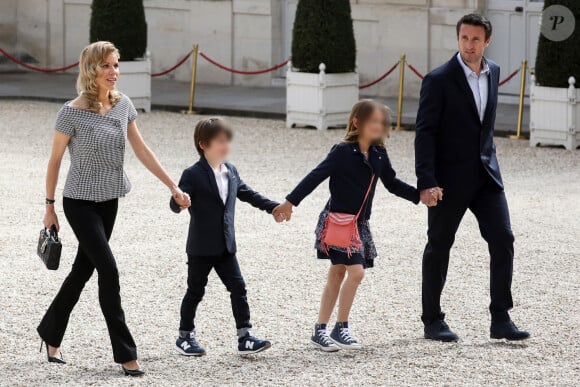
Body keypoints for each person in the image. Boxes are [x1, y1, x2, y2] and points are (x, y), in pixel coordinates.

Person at [38, 41, 191, 376]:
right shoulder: (70, 112)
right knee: (108, 270)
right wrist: (49, 207)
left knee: (82, 270)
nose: (113, 73)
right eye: (106, 66)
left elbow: (143, 151)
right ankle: (126, 353)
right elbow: (54, 162)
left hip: (109, 200)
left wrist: (173, 186)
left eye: (116, 65)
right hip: (78, 202)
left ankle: (50, 333)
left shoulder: (124, 106)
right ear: (91, 69)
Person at [414, 14, 530, 342]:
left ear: (486, 41)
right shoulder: (438, 79)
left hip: (487, 177)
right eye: (464, 38)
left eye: (475, 39)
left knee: (503, 238)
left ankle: (500, 317)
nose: (469, 45)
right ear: (458, 39)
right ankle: (432, 320)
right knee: (439, 245)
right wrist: (427, 181)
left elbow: (485, 127)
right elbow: (424, 133)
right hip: (447, 181)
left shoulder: (493, 72)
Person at [274, 100, 420, 351]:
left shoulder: (379, 154)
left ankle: (320, 330)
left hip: (359, 225)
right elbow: (315, 176)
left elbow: (393, 184)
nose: (378, 125)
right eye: (373, 121)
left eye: (381, 122)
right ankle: (340, 327)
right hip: (337, 222)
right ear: (357, 122)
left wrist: (420, 196)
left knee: (338, 273)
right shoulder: (342, 151)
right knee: (356, 272)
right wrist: (289, 202)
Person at [171, 117, 281, 357]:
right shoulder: (192, 173)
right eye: (220, 141)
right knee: (195, 291)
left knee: (238, 288)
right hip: (201, 247)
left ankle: (245, 337)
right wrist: (178, 202)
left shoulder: (230, 171)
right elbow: (176, 201)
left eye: (227, 141)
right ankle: (185, 337)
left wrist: (273, 207)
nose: (226, 146)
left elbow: (247, 193)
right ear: (203, 144)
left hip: (226, 246)